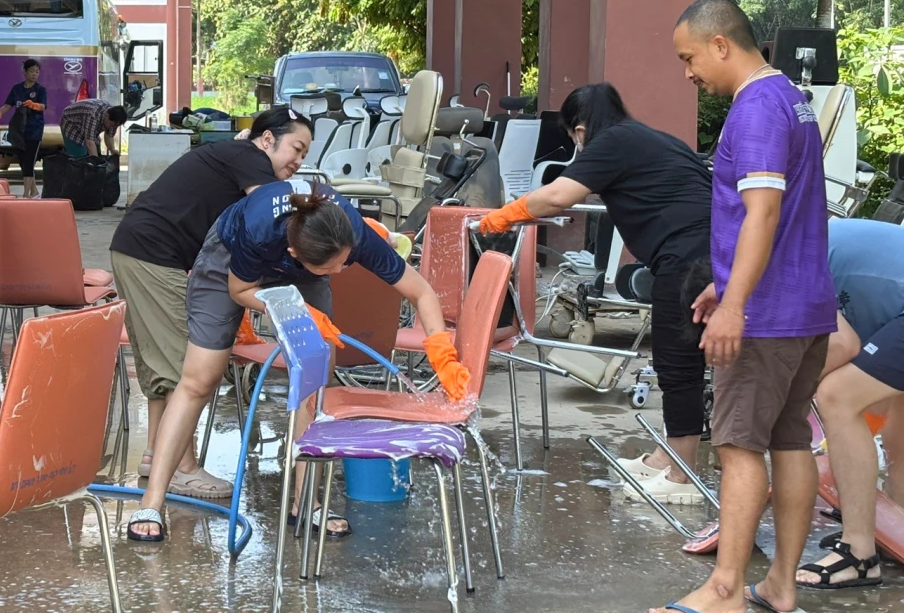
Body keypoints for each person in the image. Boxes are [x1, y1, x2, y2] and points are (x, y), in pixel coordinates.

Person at [126, 180, 469, 542]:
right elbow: (239, 291)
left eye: (345, 263)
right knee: (200, 378)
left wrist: (442, 353)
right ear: (293, 252)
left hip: (307, 266)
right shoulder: (256, 230)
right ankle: (151, 502)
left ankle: (307, 503)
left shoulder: (347, 234)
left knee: (316, 378)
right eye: (332, 268)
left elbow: (421, 292)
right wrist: (296, 309)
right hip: (231, 264)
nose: (340, 273)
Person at [650, 0, 835, 613]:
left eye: (689, 58)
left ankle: (726, 590)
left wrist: (734, 304)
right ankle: (780, 583)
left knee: (736, 445)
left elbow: (761, 213)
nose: (688, 73)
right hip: (805, 307)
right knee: (789, 440)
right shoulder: (791, 98)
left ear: (721, 44)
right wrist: (724, 286)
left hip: (766, 317)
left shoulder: (755, 108)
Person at [478, 82, 712, 503]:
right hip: (699, 252)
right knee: (676, 361)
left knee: (679, 365)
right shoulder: (647, 138)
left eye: (573, 138)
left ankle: (682, 477)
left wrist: (503, 216)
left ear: (581, 130)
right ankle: (667, 457)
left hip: (690, 256)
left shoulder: (613, 141)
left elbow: (559, 196)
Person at [110, 106, 314, 499]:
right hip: (154, 255)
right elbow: (272, 214)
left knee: (163, 363)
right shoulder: (251, 160)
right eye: (296, 148)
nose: (299, 161)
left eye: (305, 154)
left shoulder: (239, 155)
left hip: (138, 249)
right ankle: (183, 468)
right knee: (185, 367)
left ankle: (156, 454)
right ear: (268, 140)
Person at [795, 218, 904, 589]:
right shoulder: (800, 241)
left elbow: (843, 346)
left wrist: (783, 399)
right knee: (894, 408)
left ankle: (858, 554)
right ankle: (897, 524)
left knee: (838, 395)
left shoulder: (788, 260)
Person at [0, 59, 47, 198]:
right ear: (25, 72)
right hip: (18, 130)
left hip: (34, 130)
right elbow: (7, 106)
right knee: (23, 161)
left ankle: (26, 194)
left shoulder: (40, 89)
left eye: (37, 72)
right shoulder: (16, 89)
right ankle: (34, 190)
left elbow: (43, 106)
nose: (34, 74)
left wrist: (33, 105)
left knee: (29, 161)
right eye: (32, 71)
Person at [60, 98, 127, 159]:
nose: (113, 128)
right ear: (107, 116)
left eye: (116, 127)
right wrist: (96, 164)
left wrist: (112, 149)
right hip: (72, 124)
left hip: (88, 124)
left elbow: (109, 136)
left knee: (97, 151)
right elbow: (89, 142)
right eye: (112, 125)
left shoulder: (115, 118)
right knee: (80, 159)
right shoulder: (92, 115)